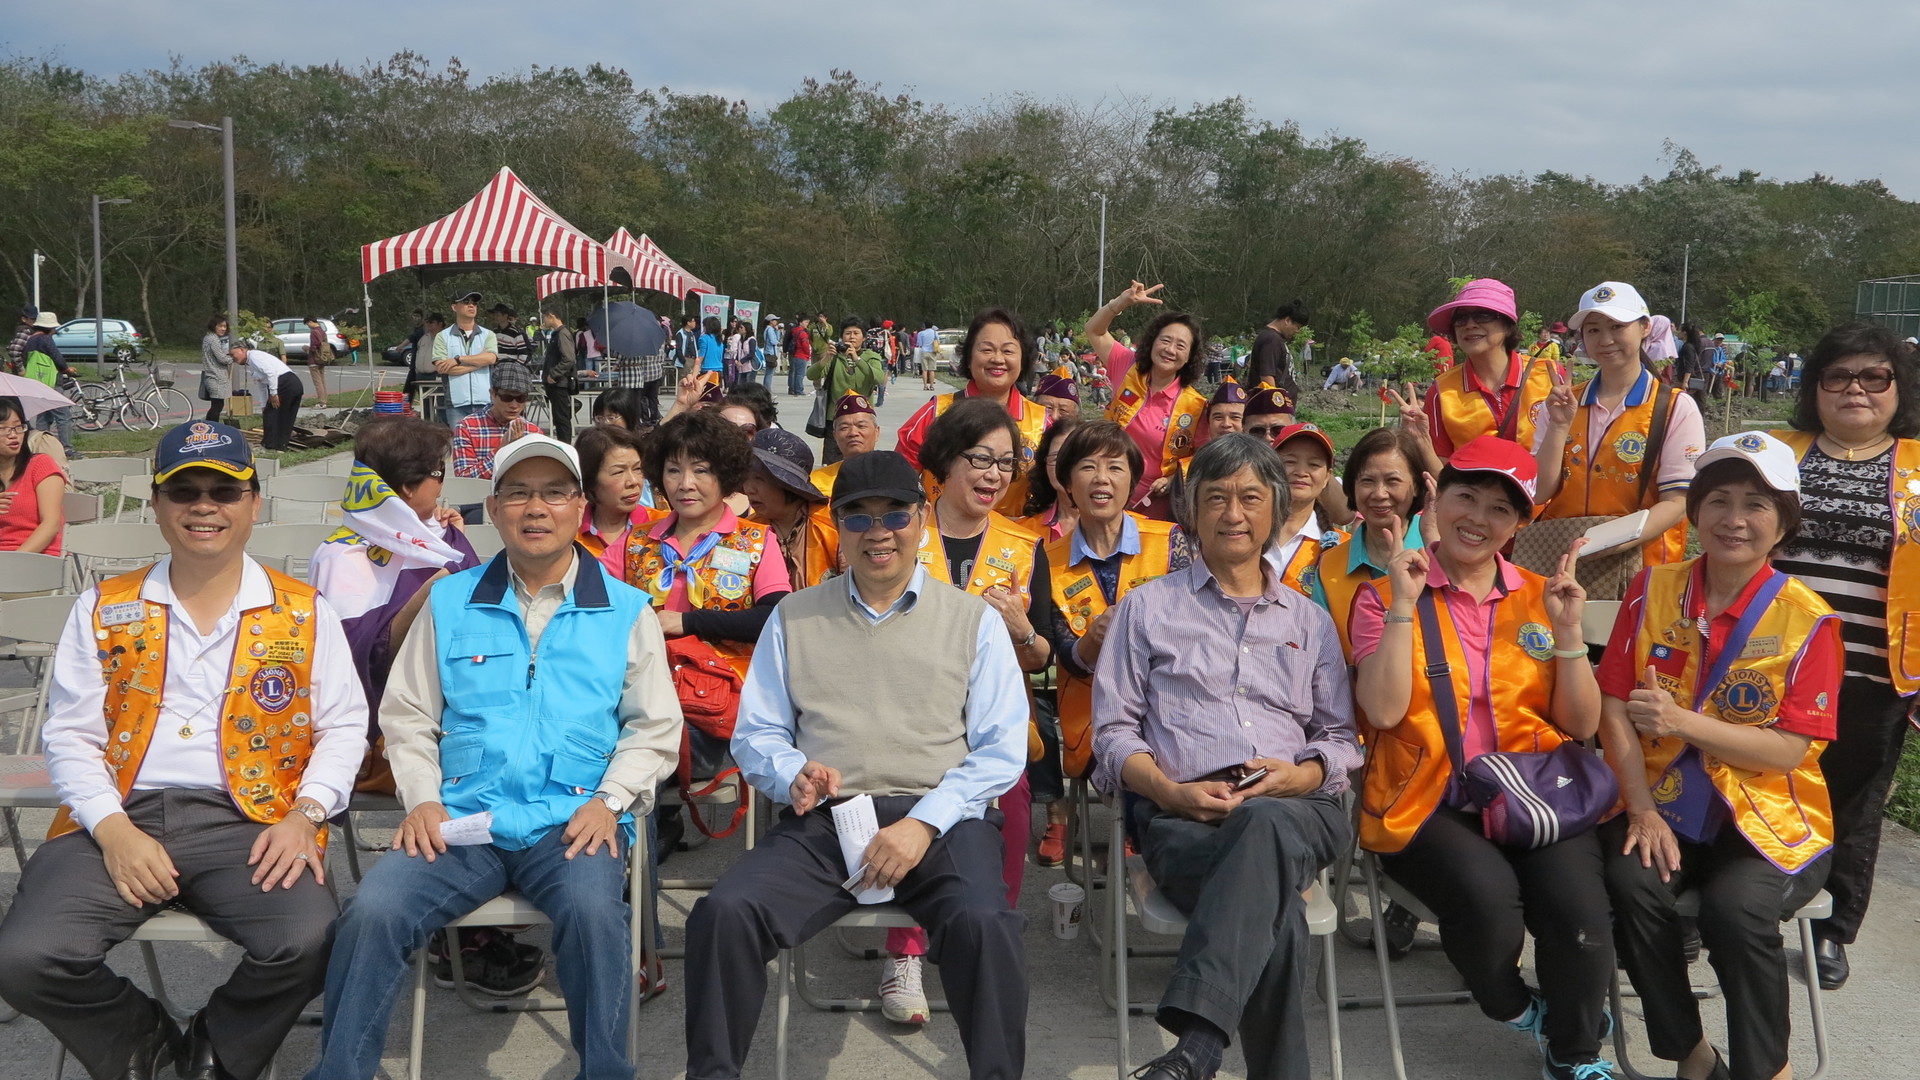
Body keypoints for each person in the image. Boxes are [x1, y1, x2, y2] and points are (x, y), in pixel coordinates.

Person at [306, 434, 680, 1080]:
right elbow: (408, 715)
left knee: (595, 916)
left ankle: (607, 1071)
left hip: (572, 821)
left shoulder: (623, 609)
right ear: (494, 507)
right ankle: (339, 1072)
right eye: (519, 494)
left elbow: (654, 728)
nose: (536, 509)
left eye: (554, 493)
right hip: (460, 821)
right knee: (373, 911)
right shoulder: (451, 601)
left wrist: (610, 801)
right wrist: (421, 799)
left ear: (579, 505)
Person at [0, 422, 367, 1080]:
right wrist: (111, 830)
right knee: (25, 956)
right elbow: (71, 734)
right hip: (121, 814)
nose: (205, 506)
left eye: (224, 491)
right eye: (185, 491)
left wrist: (304, 816)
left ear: (254, 503)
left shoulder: (305, 611)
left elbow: (343, 727)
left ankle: (217, 1052)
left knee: (312, 939)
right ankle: (148, 1053)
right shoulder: (104, 605)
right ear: (158, 505)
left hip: (251, 819)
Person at [685, 449, 1028, 1080]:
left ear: (920, 520)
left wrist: (924, 823)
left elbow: (1001, 750)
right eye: (858, 518)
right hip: (830, 819)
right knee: (724, 913)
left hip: (941, 819)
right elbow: (756, 732)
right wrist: (792, 772)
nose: (878, 533)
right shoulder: (793, 616)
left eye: (894, 515)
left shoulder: (971, 620)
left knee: (987, 924)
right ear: (836, 528)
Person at [1092, 432, 1358, 1080]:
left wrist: (1300, 774)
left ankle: (1198, 1047)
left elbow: (1340, 738)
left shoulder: (1309, 620)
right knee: (1281, 915)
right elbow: (1112, 733)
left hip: (1295, 805)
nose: (1233, 514)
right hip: (1184, 815)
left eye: (1248, 497)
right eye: (1216, 498)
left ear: (1275, 508)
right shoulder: (1147, 609)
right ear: (1191, 512)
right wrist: (1167, 791)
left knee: (1263, 822)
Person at [1352, 435, 1613, 1080]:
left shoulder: (1539, 597)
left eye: (1501, 508)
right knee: (1491, 910)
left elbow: (1581, 725)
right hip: (1428, 795)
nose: (1479, 518)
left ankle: (1574, 1052)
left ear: (1520, 523)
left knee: (1582, 916)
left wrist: (1572, 632)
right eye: (1467, 496)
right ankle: (1512, 1004)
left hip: (1535, 789)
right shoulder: (1385, 593)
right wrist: (1404, 608)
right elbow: (1382, 713)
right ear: (1437, 498)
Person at [1597, 431, 1841, 1080]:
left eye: (1757, 505)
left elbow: (1789, 749)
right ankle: (1691, 1055)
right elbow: (1613, 707)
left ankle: (1767, 1070)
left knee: (1737, 912)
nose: (1735, 519)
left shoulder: (1809, 620)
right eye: (1720, 500)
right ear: (1697, 510)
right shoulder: (1651, 590)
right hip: (1666, 807)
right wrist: (1641, 808)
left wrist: (1682, 721)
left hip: (1767, 816)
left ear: (1784, 521)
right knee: (1628, 882)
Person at [885, 398, 1055, 1022]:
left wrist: (1022, 630)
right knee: (904, 802)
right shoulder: (900, 532)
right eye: (978, 458)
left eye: (1005, 463)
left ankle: (991, 938)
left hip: (992, 723)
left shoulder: (1024, 544)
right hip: (905, 717)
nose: (991, 475)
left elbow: (1040, 658)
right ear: (942, 461)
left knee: (1012, 806)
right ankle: (903, 952)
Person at [1767, 322, 1920, 991]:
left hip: (1875, 675)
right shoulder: (1777, 455)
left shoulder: (1917, 469)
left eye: (1874, 377)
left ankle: (1832, 927)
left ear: (1898, 388)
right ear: (1816, 388)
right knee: (1749, 783)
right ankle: (1726, 903)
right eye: (1839, 377)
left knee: (1853, 808)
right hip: (1774, 668)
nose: (1856, 389)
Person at [1040, 420, 1190, 866]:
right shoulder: (1044, 561)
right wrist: (1093, 640)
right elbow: (1064, 654)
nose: (1101, 478)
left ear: (1132, 480)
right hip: (1092, 721)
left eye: (1115, 467)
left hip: (1174, 709)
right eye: (1087, 467)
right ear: (1067, 483)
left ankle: (1154, 834)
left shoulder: (1171, 541)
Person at [602, 409, 791, 688]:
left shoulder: (757, 540)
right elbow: (588, 600)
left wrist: (689, 623)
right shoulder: (635, 542)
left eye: (700, 470)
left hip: (728, 697)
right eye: (674, 471)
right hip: (643, 689)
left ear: (725, 474)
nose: (685, 484)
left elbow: (775, 615)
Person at [1533, 282, 1705, 572]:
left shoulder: (1674, 407)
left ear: (1645, 327)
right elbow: (1539, 491)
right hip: (1562, 558)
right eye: (1594, 330)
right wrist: (1559, 427)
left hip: (1640, 562)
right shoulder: (1563, 404)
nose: (1605, 339)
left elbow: (1678, 501)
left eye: (1617, 327)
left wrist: (1614, 542)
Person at [1397, 278, 1559, 475]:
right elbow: (1443, 470)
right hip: (1474, 505)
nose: (1470, 325)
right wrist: (1420, 439)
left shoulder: (1550, 376)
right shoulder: (1442, 391)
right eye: (1461, 319)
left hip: (1544, 504)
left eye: (1483, 315)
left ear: (1508, 325)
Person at [1082, 282, 1211, 521]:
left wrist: (1174, 479)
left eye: (1180, 346)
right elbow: (1094, 330)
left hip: (1153, 506)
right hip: (1103, 491)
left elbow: (1203, 457)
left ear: (1189, 357)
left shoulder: (1195, 406)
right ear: (1152, 342)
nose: (1170, 350)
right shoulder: (1127, 366)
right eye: (1165, 340)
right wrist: (1120, 304)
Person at [895, 308, 1045, 500]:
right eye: (986, 349)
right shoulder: (935, 413)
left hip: (1019, 529)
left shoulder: (1043, 422)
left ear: (1023, 360)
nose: (998, 359)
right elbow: (898, 481)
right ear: (968, 357)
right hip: (938, 528)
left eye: (1008, 351)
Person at [1310, 426, 1428, 661]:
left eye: (1392, 481)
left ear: (1415, 486)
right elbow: (1319, 654)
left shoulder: (1439, 553)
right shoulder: (1330, 566)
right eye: (1367, 481)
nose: (1379, 493)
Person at [744, 428, 840, 589]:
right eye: (745, 479)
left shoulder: (833, 525)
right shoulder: (747, 531)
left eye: (759, 479)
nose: (749, 489)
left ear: (788, 485)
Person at [1264, 423, 1349, 596]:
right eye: (1290, 462)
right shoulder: (1243, 532)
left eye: (1314, 464)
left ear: (1327, 477)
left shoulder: (1344, 547)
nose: (1301, 472)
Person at [811, 319, 887, 465]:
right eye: (848, 333)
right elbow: (812, 375)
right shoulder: (834, 358)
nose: (851, 337)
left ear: (864, 337)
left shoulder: (871, 357)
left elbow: (878, 378)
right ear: (842, 337)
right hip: (835, 419)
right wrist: (826, 358)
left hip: (862, 419)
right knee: (832, 464)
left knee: (862, 462)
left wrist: (857, 359)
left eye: (856, 333)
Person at [450, 361, 542, 480]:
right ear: (492, 394)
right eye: (507, 398)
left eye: (521, 398)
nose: (514, 405)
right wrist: (502, 450)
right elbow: (464, 479)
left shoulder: (534, 433)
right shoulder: (467, 427)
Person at [576, 423, 654, 559]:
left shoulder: (661, 527)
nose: (633, 481)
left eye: (637, 469)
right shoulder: (570, 536)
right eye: (618, 472)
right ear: (590, 479)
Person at [0, 396, 66, 555]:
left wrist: (15, 561)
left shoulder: (40, 465)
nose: (13, 435)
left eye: (18, 427)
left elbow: (51, 524)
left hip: (37, 558)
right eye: (3, 428)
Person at [432, 290, 499, 427]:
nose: (471, 306)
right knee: (459, 446)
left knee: (485, 446)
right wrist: (479, 363)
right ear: (454, 307)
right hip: (456, 404)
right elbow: (442, 368)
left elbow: (491, 359)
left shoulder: (488, 334)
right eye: (466, 302)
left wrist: (457, 360)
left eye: (474, 303)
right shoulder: (442, 336)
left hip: (485, 402)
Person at [1015, 416, 1082, 543]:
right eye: (1056, 458)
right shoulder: (1022, 532)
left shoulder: (1125, 526)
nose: (1065, 466)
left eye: (1075, 457)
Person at [22, 311, 77, 455]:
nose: (55, 330)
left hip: (37, 383)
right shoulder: (46, 339)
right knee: (63, 415)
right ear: (50, 328)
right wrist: (67, 369)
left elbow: (24, 359)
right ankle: (67, 448)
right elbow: (57, 357)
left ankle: (40, 447)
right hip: (51, 383)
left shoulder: (30, 340)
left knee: (44, 416)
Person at [810, 390, 879, 498]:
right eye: (844, 428)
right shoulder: (816, 482)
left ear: (877, 432)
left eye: (861, 426)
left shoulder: (893, 475)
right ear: (835, 435)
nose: (853, 433)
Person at [241, 342, 303, 452]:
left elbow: (271, 373)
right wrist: (264, 404)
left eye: (233, 354)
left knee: (273, 415)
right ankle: (280, 447)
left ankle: (269, 446)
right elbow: (262, 384)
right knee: (282, 415)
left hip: (284, 383)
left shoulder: (254, 357)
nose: (232, 358)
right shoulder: (252, 363)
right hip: (292, 383)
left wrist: (273, 393)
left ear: (242, 350)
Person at [1248, 298, 1311, 400]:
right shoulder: (1271, 340)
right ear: (1287, 321)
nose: (1297, 332)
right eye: (1297, 327)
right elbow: (1267, 377)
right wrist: (1276, 406)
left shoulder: (1274, 339)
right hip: (1274, 410)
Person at [540, 306, 579, 443]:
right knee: (559, 419)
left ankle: (566, 448)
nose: (543, 320)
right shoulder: (556, 334)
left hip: (559, 383)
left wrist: (554, 374)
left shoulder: (563, 334)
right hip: (554, 384)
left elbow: (569, 358)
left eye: (544, 316)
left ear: (551, 316)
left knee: (562, 419)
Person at [200, 315, 235, 423]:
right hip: (216, 377)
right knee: (217, 406)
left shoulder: (208, 338)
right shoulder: (213, 339)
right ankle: (212, 428)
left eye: (225, 326)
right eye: (220, 326)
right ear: (214, 326)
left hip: (212, 376)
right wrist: (234, 358)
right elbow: (222, 359)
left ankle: (209, 427)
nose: (223, 329)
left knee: (216, 405)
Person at [303, 315, 332, 408]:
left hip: (314, 359)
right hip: (322, 359)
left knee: (317, 382)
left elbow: (314, 346)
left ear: (310, 322)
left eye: (307, 324)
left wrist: (307, 349)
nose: (308, 326)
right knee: (322, 381)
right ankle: (325, 400)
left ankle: (322, 402)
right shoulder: (322, 331)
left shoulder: (314, 332)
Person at [786, 313, 812, 397]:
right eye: (805, 322)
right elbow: (805, 346)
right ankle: (799, 390)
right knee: (800, 374)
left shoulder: (795, 331)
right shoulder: (803, 333)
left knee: (794, 373)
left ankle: (793, 388)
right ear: (800, 322)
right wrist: (808, 354)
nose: (807, 324)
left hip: (794, 354)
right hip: (801, 355)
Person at [6, 305, 35, 375]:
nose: (35, 321)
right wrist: (20, 369)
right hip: (23, 370)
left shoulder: (29, 329)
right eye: (32, 319)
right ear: (24, 319)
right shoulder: (25, 330)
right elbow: (14, 351)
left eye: (36, 318)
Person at [916, 322, 940, 389]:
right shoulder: (935, 332)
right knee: (932, 370)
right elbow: (938, 341)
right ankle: (932, 385)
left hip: (924, 351)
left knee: (924, 370)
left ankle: (925, 386)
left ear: (925, 326)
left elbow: (919, 344)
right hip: (932, 352)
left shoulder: (921, 333)